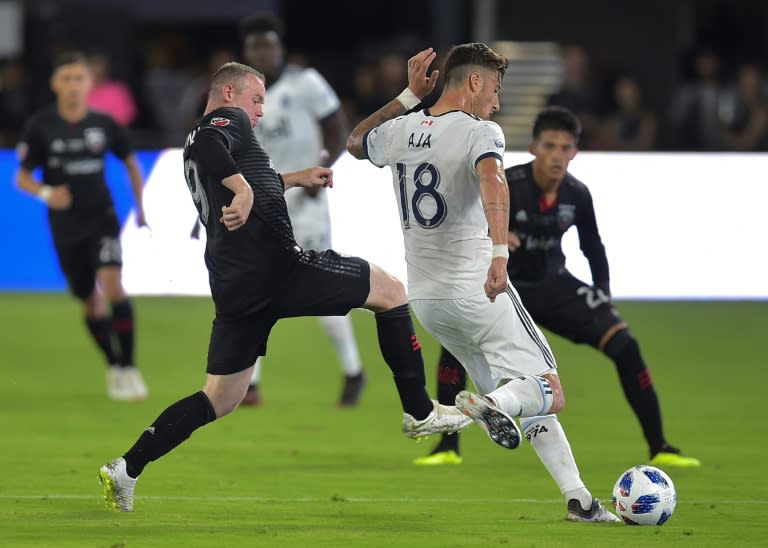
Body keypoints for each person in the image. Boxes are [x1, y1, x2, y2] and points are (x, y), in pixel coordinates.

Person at [97, 61, 470, 512]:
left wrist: (293, 178)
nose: (259, 112)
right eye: (256, 100)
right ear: (230, 94)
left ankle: (127, 467)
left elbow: (234, 168)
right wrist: (242, 189)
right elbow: (216, 152)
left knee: (220, 398)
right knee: (390, 291)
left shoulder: (210, 139)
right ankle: (420, 412)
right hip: (277, 269)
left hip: (236, 285)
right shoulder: (221, 123)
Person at [347, 44, 619, 523]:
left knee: (528, 396)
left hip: (428, 300)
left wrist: (410, 95)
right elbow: (495, 181)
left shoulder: (401, 129)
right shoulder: (480, 131)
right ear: (474, 83)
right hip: (477, 288)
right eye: (494, 89)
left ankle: (579, 499)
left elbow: (355, 141)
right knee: (549, 388)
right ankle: (482, 406)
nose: (496, 102)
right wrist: (499, 254)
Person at [414, 106, 701, 469]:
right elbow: (467, 227)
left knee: (626, 346)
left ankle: (660, 445)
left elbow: (592, 245)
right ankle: (447, 446)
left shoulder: (577, 195)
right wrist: (498, 237)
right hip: (507, 287)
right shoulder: (507, 185)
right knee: (454, 347)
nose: (557, 155)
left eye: (565, 148)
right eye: (550, 146)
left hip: (555, 287)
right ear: (534, 148)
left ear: (574, 153)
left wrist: (602, 289)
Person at [238, 13, 366, 407]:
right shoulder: (239, 94)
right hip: (261, 202)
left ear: (281, 48)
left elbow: (337, 127)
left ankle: (352, 370)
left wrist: (323, 168)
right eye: (255, 46)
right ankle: (250, 384)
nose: (263, 52)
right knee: (252, 289)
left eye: (269, 45)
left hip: (304, 203)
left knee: (321, 290)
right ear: (246, 52)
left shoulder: (305, 83)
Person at [15, 51, 148, 401]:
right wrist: (47, 192)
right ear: (55, 84)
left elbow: (131, 163)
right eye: (67, 78)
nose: (74, 85)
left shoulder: (104, 124)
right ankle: (113, 364)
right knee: (89, 302)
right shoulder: (40, 125)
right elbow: (22, 178)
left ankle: (130, 367)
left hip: (102, 217)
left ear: (90, 83)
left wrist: (141, 209)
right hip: (65, 225)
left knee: (114, 285)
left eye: (80, 78)